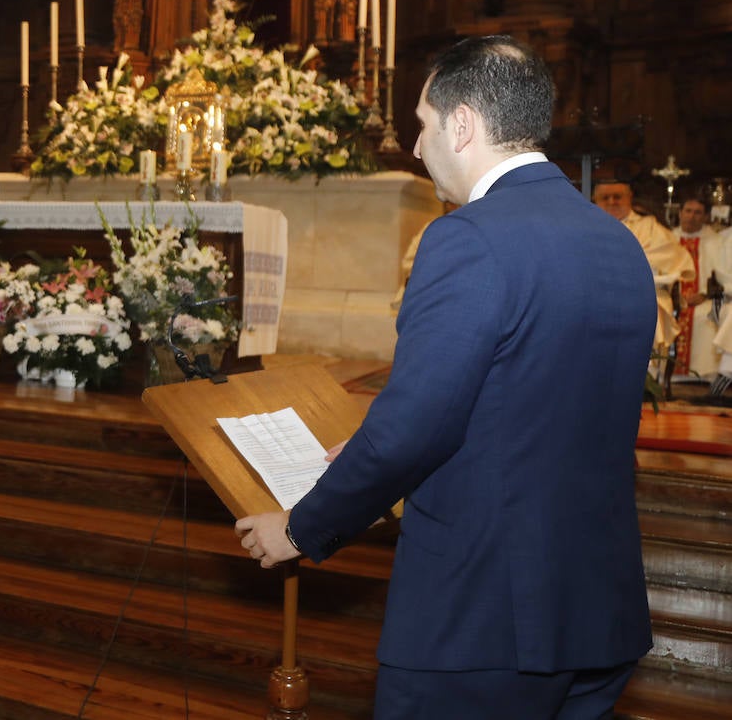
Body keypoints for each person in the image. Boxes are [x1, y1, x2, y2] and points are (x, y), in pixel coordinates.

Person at [235, 36, 654, 718]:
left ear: (463, 124)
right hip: (597, 609)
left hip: (483, 619)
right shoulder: (617, 241)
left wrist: (301, 528)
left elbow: (415, 429)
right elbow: (530, 402)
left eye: (423, 123)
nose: (416, 143)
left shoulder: (467, 236)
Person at [593, 180, 695, 352]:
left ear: (629, 197)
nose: (611, 202)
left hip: (645, 292)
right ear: (595, 199)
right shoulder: (585, 227)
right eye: (605, 197)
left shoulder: (650, 227)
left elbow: (669, 258)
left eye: (617, 197)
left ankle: (646, 376)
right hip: (596, 292)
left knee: (647, 309)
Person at [674, 196, 727, 380]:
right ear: (680, 213)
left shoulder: (718, 242)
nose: (691, 216)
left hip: (705, 299)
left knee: (706, 317)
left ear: (705, 217)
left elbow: (724, 275)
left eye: (697, 213)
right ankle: (664, 374)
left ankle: (704, 375)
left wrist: (705, 294)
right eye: (688, 211)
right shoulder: (667, 239)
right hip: (672, 298)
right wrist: (676, 295)